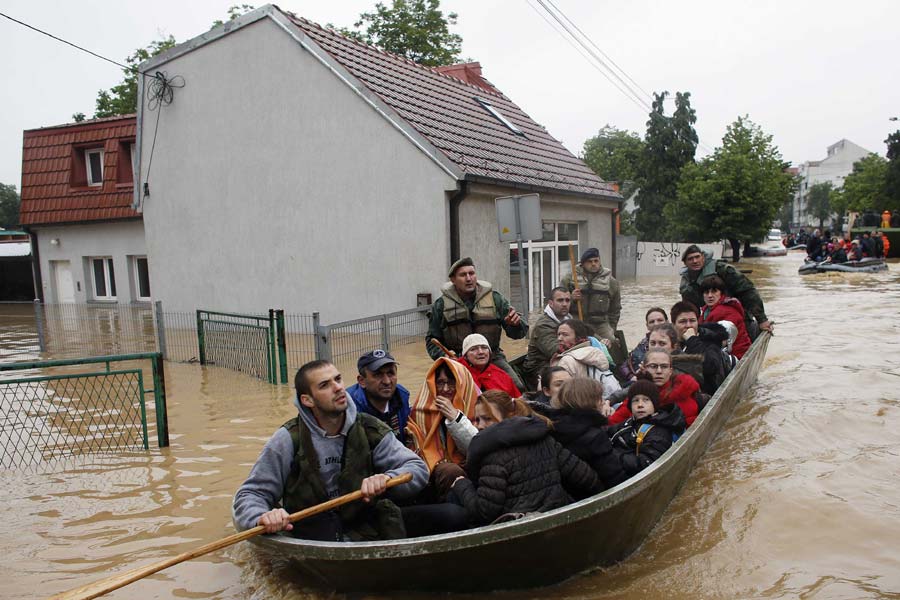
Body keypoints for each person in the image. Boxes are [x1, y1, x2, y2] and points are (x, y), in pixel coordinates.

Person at [233, 360, 429, 540]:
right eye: (325, 385)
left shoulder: (369, 429)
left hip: (362, 522)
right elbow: (250, 494)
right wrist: (263, 517)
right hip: (311, 531)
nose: (338, 388)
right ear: (307, 400)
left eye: (338, 379)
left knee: (451, 515)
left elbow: (417, 468)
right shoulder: (287, 439)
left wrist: (388, 479)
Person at [450, 390, 601, 525]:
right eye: (477, 420)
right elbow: (586, 478)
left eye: (487, 418)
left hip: (522, 530)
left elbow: (484, 512)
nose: (480, 426)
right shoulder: (545, 440)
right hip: (560, 518)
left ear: (509, 416)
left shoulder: (493, 458)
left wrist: (462, 486)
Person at [426, 257, 527, 391]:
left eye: (471, 273)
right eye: (463, 275)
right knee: (446, 392)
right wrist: (444, 356)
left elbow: (519, 333)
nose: (469, 278)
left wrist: (515, 325)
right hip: (458, 361)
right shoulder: (441, 305)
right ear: (453, 280)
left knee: (517, 387)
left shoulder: (495, 299)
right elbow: (431, 340)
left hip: (492, 358)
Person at [406, 357, 480, 501]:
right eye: (440, 383)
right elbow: (415, 445)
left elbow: (477, 448)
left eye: (451, 382)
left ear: (461, 383)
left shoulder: (476, 406)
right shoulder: (422, 410)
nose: (445, 389)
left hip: (468, 462)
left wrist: (455, 418)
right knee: (450, 471)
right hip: (437, 470)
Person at [545, 377, 627, 491]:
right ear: (588, 401)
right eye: (599, 398)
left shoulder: (556, 427)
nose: (603, 402)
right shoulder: (594, 437)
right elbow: (615, 477)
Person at [679, 244, 773, 335]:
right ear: (685, 263)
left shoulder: (722, 269)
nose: (695, 261)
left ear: (703, 257)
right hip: (710, 319)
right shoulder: (686, 283)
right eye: (690, 259)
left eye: (697, 257)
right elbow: (689, 308)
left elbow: (748, 291)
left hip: (738, 317)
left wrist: (762, 320)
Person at [608, 379, 686, 477]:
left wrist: (611, 456)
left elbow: (648, 464)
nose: (640, 405)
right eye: (635, 400)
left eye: (646, 400)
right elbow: (610, 431)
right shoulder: (631, 421)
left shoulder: (659, 431)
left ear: (654, 405)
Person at [608, 349, 700, 427]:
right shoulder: (640, 392)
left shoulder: (682, 390)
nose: (659, 371)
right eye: (653, 366)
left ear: (670, 371)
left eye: (664, 366)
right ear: (644, 368)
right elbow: (614, 421)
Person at [346, 350, 410, 443]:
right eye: (378, 375)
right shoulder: (349, 407)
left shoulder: (401, 396)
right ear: (362, 381)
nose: (387, 381)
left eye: (390, 373)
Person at [559, 247, 622, 342]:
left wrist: (612, 328)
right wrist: (571, 298)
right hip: (576, 321)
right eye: (589, 261)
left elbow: (615, 309)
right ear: (583, 264)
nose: (593, 264)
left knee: (611, 342)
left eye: (596, 261)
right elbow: (559, 304)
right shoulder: (570, 279)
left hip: (600, 324)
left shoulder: (611, 282)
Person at [671, 301, 734, 395]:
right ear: (673, 325)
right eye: (683, 322)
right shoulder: (667, 341)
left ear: (697, 322)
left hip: (704, 394)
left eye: (692, 321)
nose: (688, 325)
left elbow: (710, 367)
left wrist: (692, 340)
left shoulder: (711, 340)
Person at [551, 319, 620, 398]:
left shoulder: (566, 361)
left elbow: (562, 394)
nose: (559, 338)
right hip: (602, 399)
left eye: (565, 335)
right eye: (558, 334)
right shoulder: (595, 351)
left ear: (578, 337)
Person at [522, 287, 572, 389]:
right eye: (560, 300)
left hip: (558, 362)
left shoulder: (569, 319)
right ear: (551, 303)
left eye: (567, 300)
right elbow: (555, 351)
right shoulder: (543, 325)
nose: (564, 304)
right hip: (538, 368)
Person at [698, 276, 751, 359]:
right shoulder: (705, 310)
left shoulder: (726, 311)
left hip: (737, 355)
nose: (710, 295)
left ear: (721, 293)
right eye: (706, 292)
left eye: (714, 291)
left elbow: (720, 341)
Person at [458, 333, 521, 398]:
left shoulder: (502, 376)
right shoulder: (456, 373)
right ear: (465, 356)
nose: (480, 352)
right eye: (473, 349)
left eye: (484, 348)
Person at [619, 307, 668, 383]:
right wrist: (632, 377)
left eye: (660, 320)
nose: (656, 324)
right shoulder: (642, 344)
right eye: (652, 322)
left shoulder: (675, 342)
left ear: (667, 322)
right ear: (647, 326)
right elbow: (625, 365)